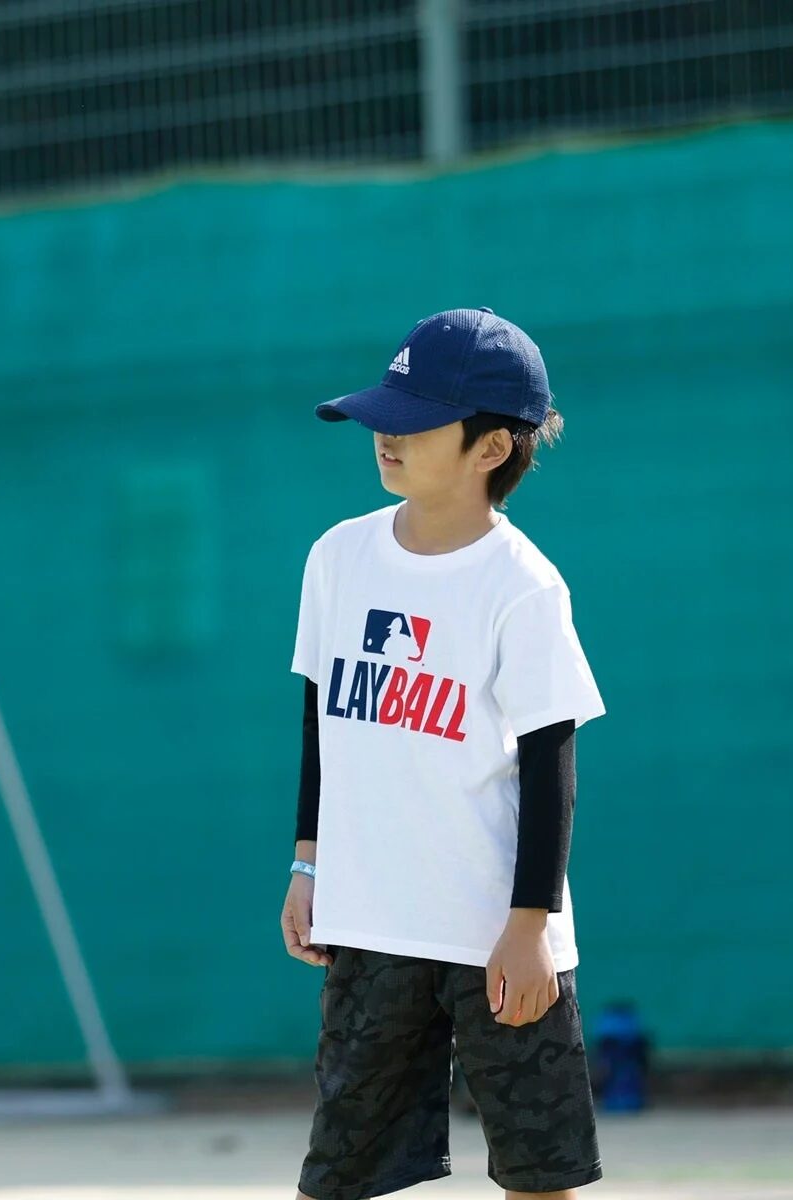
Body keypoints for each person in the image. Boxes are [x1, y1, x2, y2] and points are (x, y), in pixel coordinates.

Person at [281, 308, 606, 1200]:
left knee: (541, 1176)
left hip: (495, 930)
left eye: (413, 419)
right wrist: (307, 864)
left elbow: (550, 763)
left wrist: (530, 927)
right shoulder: (336, 558)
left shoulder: (523, 584)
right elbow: (322, 727)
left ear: (493, 447)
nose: (384, 433)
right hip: (370, 923)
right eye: (382, 413)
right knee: (340, 1175)